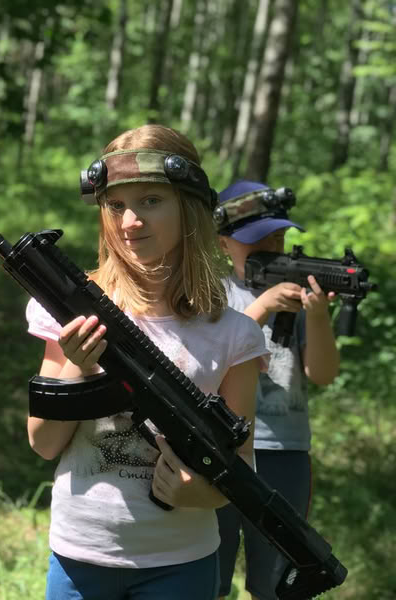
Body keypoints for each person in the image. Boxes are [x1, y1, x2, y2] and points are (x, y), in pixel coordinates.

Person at [24, 124, 269, 600]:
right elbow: (43, 443)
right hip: (81, 556)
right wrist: (76, 365)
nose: (130, 221)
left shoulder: (235, 333)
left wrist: (200, 494)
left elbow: (241, 467)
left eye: (151, 201)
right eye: (116, 205)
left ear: (190, 209)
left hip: (180, 563)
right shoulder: (69, 310)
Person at [214, 180, 339, 600]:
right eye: (257, 239)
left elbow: (321, 373)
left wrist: (318, 316)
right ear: (223, 242)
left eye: (279, 235)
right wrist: (263, 306)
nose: (271, 244)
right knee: (209, 570)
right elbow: (210, 359)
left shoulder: (300, 294)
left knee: (276, 578)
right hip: (222, 447)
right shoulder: (214, 294)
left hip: (285, 450)